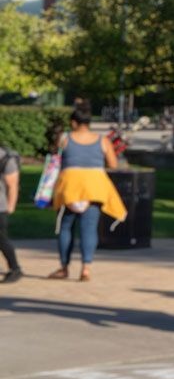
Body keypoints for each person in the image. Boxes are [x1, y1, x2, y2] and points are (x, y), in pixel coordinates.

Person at [49, 107, 126, 282]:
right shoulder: (102, 140)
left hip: (69, 188)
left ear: (73, 122)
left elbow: (55, 160)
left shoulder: (65, 139)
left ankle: (64, 267)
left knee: (65, 228)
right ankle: (86, 268)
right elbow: (113, 164)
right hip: (94, 188)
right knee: (89, 229)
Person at [0, 137, 22, 283]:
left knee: (1, 239)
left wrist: (11, 205)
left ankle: (15, 268)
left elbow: (12, 184)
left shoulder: (5, 157)